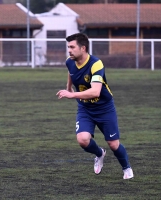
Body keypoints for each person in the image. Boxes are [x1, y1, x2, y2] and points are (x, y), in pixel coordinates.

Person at [56, 33, 134, 180]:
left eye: (72, 47)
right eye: (68, 47)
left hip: (104, 108)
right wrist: (68, 87)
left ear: (83, 48)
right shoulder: (70, 61)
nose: (69, 50)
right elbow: (70, 72)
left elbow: (95, 91)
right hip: (85, 108)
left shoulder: (96, 64)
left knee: (113, 144)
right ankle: (99, 153)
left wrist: (72, 95)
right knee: (82, 139)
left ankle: (127, 168)